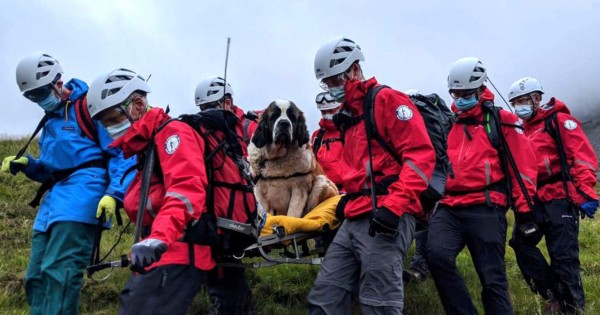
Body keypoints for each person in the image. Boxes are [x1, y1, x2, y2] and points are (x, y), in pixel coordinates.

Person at [87, 68, 257, 315]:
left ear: (136, 104)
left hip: (177, 248)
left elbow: (186, 190)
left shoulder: (172, 134)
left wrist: (160, 237)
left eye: (112, 119)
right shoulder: (147, 145)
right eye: (104, 123)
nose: (109, 128)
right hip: (167, 247)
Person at [307, 36, 436, 314]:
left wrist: (394, 206)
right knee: (325, 296)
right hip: (355, 214)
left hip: (387, 217)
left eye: (336, 80)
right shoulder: (350, 116)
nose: (332, 88)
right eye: (327, 83)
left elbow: (420, 158)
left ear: (354, 70)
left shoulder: (387, 101)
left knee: (379, 302)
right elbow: (357, 172)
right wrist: (346, 199)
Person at [1, 52, 132, 315]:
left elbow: (122, 152)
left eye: (40, 93)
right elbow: (51, 170)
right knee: (36, 276)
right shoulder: (49, 121)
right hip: (52, 203)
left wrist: (115, 193)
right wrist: (29, 165)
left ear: (57, 83)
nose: (38, 100)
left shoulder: (89, 107)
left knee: (60, 272)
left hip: (83, 196)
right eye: (31, 97)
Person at [425, 57, 539, 315]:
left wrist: (525, 213)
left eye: (466, 93)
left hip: (487, 208)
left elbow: (523, 170)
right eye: (456, 93)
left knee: (492, 278)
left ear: (480, 88)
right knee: (436, 256)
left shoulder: (502, 121)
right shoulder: (447, 124)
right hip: (449, 207)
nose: (460, 98)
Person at [507, 76, 599, 313]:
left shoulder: (560, 121)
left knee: (564, 257)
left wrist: (586, 192)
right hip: (533, 200)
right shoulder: (519, 130)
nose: (519, 107)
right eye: (515, 102)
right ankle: (552, 294)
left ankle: (572, 307)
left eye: (522, 100)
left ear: (537, 98)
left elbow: (581, 156)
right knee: (520, 243)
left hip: (560, 197)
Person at [194, 75, 255, 314]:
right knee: (224, 270)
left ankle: (232, 307)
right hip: (220, 213)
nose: (206, 112)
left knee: (225, 270)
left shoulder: (241, 127)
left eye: (211, 106)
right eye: (203, 108)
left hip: (233, 215)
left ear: (227, 102)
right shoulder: (209, 130)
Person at [195, 75, 258, 148]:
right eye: (202, 110)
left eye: (210, 108)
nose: (205, 113)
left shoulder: (250, 127)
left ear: (227, 103)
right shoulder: (205, 134)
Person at [311, 92, 344, 189]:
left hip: (347, 191)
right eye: (323, 112)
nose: (327, 115)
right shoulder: (317, 136)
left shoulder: (350, 131)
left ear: (340, 108)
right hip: (323, 190)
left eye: (331, 110)